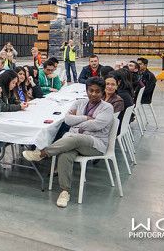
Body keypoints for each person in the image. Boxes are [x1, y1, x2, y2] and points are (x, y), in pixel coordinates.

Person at [22, 77, 114, 208]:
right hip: (74, 141)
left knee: (74, 138)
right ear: (86, 90)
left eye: (97, 91)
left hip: (95, 144)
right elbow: (68, 120)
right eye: (91, 90)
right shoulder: (79, 103)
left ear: (102, 92)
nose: (93, 94)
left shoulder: (107, 108)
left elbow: (97, 125)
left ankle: (42, 154)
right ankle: (65, 192)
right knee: (65, 154)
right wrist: (86, 118)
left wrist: (77, 122)